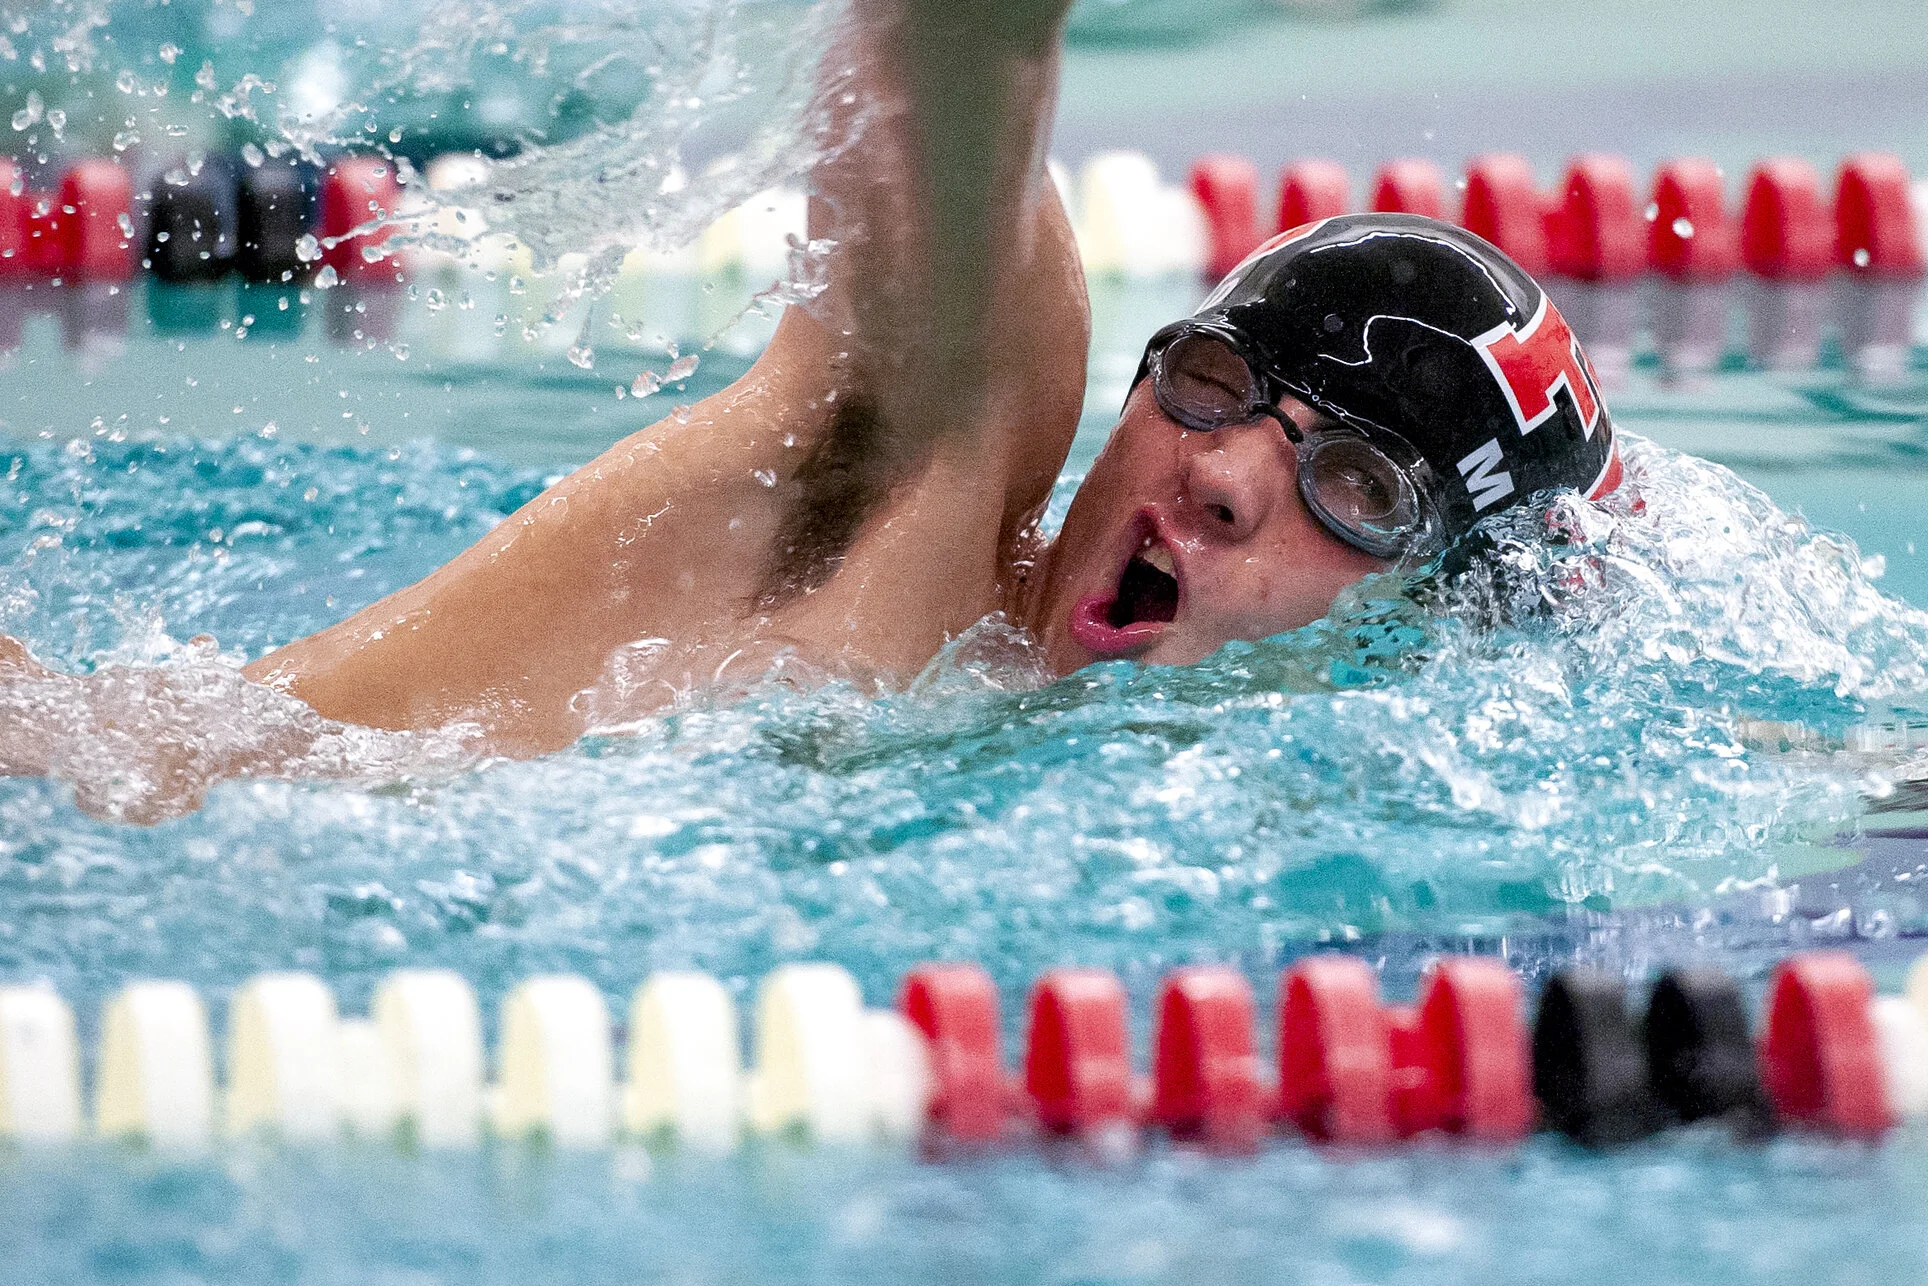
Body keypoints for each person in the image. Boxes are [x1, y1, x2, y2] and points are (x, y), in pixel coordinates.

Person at [0, 0, 1620, 800]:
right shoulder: (915, 478)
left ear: (1430, 629)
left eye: (1356, 488)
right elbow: (956, 41)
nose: (1218, 479)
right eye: (1211, 386)